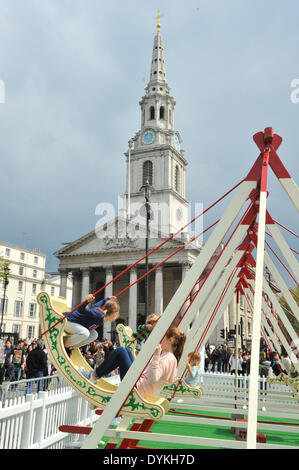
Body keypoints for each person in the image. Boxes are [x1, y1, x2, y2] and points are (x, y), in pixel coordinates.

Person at [81, 327, 187, 401]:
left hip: (137, 389)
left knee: (121, 351)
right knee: (126, 350)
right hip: (140, 385)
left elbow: (153, 378)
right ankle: (96, 375)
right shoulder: (170, 358)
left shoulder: (167, 358)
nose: (161, 340)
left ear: (170, 340)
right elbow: (170, 379)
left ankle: (94, 376)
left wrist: (156, 356)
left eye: (164, 338)